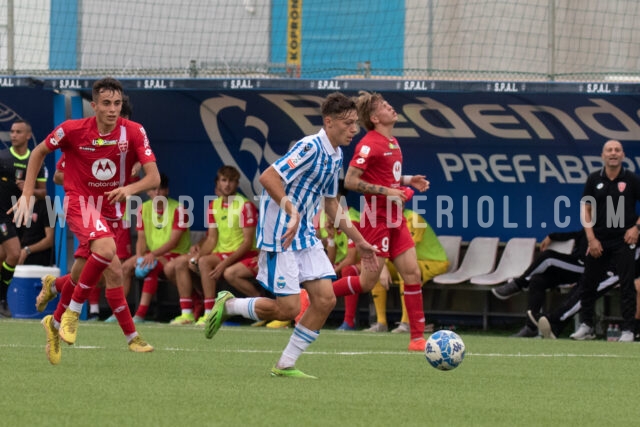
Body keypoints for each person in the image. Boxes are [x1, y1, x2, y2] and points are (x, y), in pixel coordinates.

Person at [203, 92, 378, 379]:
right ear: (329, 121)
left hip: (304, 232)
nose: (353, 130)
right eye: (347, 124)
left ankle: (285, 363)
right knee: (288, 308)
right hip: (279, 232)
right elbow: (269, 177)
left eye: (355, 124)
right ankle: (231, 305)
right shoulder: (310, 147)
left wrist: (360, 241)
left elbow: (331, 203)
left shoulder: (336, 155)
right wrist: (292, 211)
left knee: (324, 300)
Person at [12, 77, 160, 365]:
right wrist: (28, 193)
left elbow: (153, 177)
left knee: (105, 274)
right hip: (79, 203)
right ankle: (73, 313)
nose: (113, 109)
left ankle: (55, 315)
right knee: (106, 253)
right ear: (93, 106)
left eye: (117, 104)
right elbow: (39, 153)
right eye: (106, 103)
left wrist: (129, 188)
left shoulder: (133, 132)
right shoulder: (72, 130)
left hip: (110, 211)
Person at [330, 91, 430, 352]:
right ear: (375, 118)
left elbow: (386, 177)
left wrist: (408, 181)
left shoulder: (392, 142)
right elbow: (351, 181)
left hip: (395, 218)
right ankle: (314, 295)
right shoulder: (368, 144)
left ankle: (417, 339)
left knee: (412, 274)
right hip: (376, 219)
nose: (391, 108)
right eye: (385, 107)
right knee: (366, 283)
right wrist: (390, 192)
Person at [52, 95, 137, 321]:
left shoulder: (133, 141)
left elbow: (147, 174)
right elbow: (57, 175)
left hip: (115, 215)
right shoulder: (87, 142)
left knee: (91, 273)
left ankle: (54, 289)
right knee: (112, 269)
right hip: (90, 214)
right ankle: (68, 316)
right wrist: (88, 180)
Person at [169, 165, 259, 326]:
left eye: (231, 181)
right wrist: (198, 255)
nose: (227, 184)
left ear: (237, 184)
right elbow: (211, 239)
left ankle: (210, 312)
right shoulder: (213, 205)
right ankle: (187, 314)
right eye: (224, 180)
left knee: (205, 263)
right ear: (218, 182)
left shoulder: (245, 205)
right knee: (186, 262)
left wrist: (223, 263)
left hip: (244, 254)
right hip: (221, 253)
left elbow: (247, 243)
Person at [569, 139, 640, 342]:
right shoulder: (593, 179)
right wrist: (591, 239)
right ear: (603, 155)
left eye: (617, 150)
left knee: (627, 284)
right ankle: (587, 326)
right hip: (598, 240)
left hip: (624, 240)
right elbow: (586, 209)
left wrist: (636, 228)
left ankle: (628, 330)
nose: (613, 153)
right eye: (609, 150)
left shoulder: (632, 179)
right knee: (588, 283)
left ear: (623, 155)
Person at [117, 172, 190, 323]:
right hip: (154, 254)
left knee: (151, 266)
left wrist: (150, 256)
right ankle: (118, 312)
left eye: (161, 189)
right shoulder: (143, 208)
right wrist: (139, 256)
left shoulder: (179, 208)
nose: (157, 193)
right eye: (154, 189)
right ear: (148, 191)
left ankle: (140, 315)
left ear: (167, 191)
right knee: (125, 268)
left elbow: (173, 243)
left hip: (175, 254)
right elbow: (141, 238)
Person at [491, 230, 587, 337]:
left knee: (548, 257)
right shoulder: (588, 228)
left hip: (584, 268)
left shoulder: (602, 227)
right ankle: (530, 328)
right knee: (537, 280)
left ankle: (519, 284)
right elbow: (574, 235)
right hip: (571, 268)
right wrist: (552, 236)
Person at [366, 209, 449, 333]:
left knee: (405, 269)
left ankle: (406, 323)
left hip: (432, 261)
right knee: (375, 269)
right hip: (404, 260)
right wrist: (382, 268)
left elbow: (405, 250)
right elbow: (377, 247)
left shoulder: (414, 219)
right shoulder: (382, 220)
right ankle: (381, 323)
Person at [0, 119, 47, 317]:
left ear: (28, 135)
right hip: (1, 213)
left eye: (18, 132)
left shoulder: (35, 160)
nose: (14, 135)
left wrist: (28, 190)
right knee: (14, 253)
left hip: (19, 215)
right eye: (12, 131)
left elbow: (43, 192)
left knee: (4, 257)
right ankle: (2, 299)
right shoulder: (2, 157)